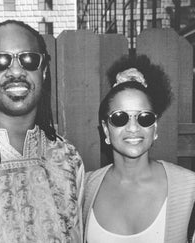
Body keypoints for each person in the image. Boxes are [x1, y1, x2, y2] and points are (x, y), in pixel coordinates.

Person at [0, 20, 84, 243]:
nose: (16, 70)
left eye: (29, 59)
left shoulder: (67, 158)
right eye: (0, 61)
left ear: (43, 72)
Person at [83, 55, 195, 243]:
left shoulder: (189, 188)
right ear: (105, 129)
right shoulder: (85, 188)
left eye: (144, 118)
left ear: (155, 128)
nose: (133, 128)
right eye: (120, 118)